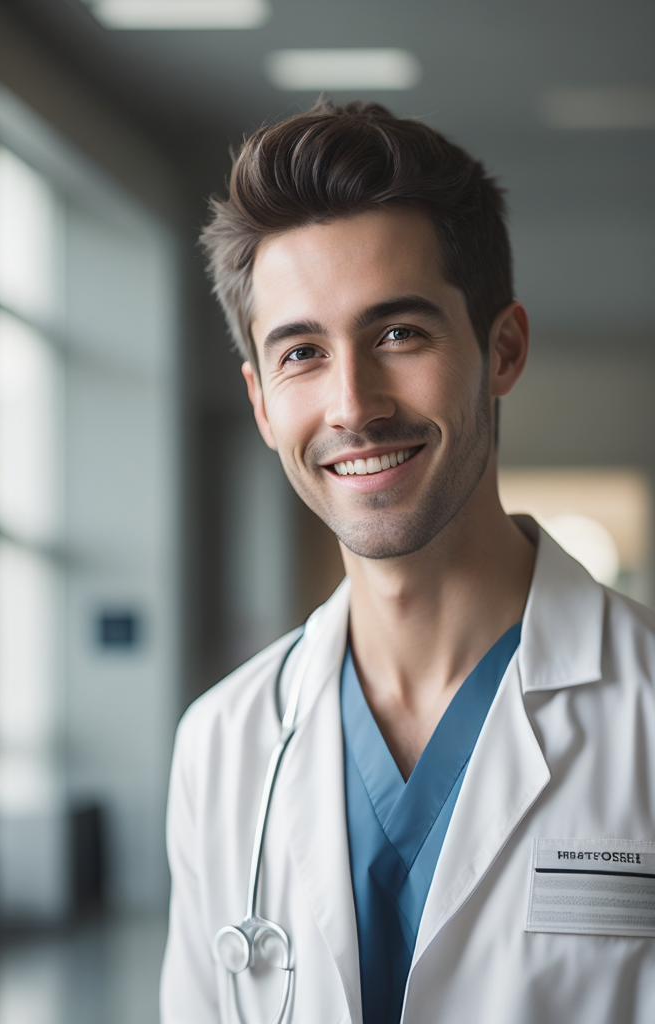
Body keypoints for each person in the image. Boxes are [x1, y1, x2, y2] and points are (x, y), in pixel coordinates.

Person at [160, 99, 655, 1024]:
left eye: (399, 333)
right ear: (263, 403)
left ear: (501, 349)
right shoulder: (221, 745)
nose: (353, 403)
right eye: (301, 352)